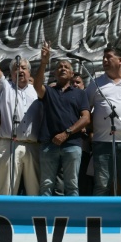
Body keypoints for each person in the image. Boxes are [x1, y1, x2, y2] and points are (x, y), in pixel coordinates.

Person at [0, 25, 43, 195]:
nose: (20, 70)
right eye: (16, 68)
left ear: (29, 72)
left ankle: (33, 221)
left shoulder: (36, 90)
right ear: (11, 73)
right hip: (8, 144)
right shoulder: (4, 87)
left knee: (34, 192)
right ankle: (5, 221)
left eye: (23, 67)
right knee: (7, 191)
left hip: (33, 146)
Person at [34, 42, 90, 196]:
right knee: (46, 185)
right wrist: (44, 62)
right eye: (60, 67)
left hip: (72, 144)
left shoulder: (80, 93)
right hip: (48, 145)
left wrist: (67, 133)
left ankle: (73, 219)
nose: (63, 68)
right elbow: (37, 86)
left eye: (66, 67)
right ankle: (45, 218)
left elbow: (86, 118)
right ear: (55, 74)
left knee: (71, 186)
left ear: (72, 74)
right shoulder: (49, 91)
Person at [85, 47, 121, 196]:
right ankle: (98, 218)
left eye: (108, 57)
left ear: (120, 61)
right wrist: (89, 130)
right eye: (103, 58)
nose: (104, 60)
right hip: (102, 143)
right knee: (101, 186)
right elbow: (85, 109)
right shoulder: (95, 84)